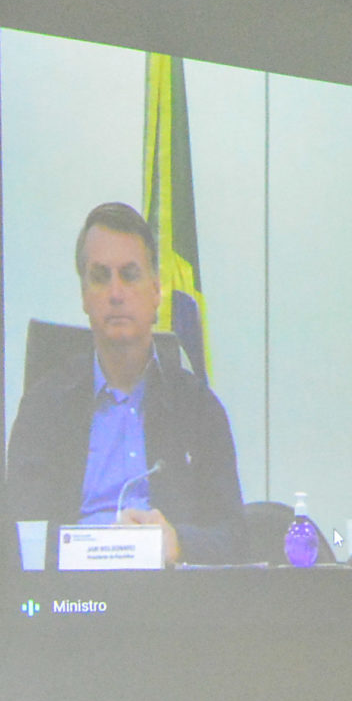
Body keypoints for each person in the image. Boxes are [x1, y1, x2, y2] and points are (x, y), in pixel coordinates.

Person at [2, 201, 243, 565]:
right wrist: (105, 545)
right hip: (75, 595)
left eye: (129, 275)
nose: (115, 293)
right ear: (84, 296)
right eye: (100, 277)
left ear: (156, 291)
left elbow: (235, 538)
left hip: (170, 592)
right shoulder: (44, 408)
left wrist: (179, 543)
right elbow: (18, 537)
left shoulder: (198, 408)